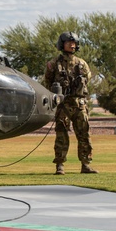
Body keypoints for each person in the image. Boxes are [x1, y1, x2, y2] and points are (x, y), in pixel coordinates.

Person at [43, 31, 97, 175]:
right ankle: (60, 165)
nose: (72, 46)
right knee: (61, 135)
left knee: (84, 134)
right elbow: (47, 83)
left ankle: (86, 164)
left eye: (74, 43)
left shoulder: (82, 64)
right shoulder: (54, 64)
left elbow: (87, 80)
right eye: (69, 43)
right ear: (62, 44)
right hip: (63, 105)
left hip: (79, 104)